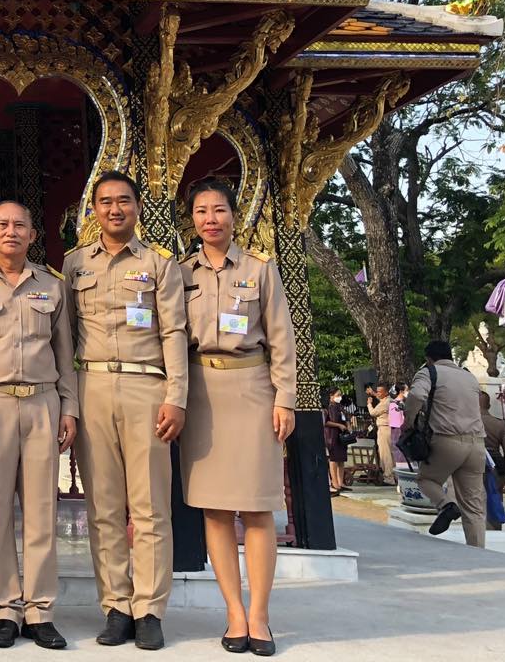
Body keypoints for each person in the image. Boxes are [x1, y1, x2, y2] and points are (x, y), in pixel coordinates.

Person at [64, 172, 185, 653]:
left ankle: (150, 609)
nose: (115, 209)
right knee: (104, 509)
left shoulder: (159, 263)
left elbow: (175, 332)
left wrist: (176, 395)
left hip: (146, 386)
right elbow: (64, 340)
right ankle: (116, 606)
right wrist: (68, 403)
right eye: (105, 202)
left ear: (137, 207)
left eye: (124, 201)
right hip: (92, 383)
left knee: (152, 507)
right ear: (92, 209)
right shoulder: (74, 264)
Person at [0, 200, 77, 651]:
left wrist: (69, 409)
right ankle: (4, 608)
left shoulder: (52, 286)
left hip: (42, 403)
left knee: (43, 512)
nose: (11, 232)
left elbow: (66, 356)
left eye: (19, 225)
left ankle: (40, 611)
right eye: (1, 225)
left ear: (32, 235)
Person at [178, 178, 295, 657]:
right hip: (201, 390)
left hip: (252, 389)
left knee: (257, 506)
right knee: (215, 507)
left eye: (219, 210)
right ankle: (233, 612)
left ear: (234, 215)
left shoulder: (260, 270)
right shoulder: (180, 273)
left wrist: (285, 397)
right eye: (202, 211)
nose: (211, 219)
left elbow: (282, 338)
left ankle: (261, 615)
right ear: (193, 219)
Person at [404, 341, 486, 547]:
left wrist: (409, 421)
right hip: (477, 444)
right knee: (474, 507)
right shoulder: (469, 376)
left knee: (426, 479)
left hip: (447, 440)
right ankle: (478, 552)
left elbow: (416, 395)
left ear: (428, 358)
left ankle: (446, 505)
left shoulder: (429, 372)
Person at [479, 391, 505, 530]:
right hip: (495, 469)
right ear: (488, 405)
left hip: (471, 467)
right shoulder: (499, 424)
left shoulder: (466, 422)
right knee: (494, 501)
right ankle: (494, 534)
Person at [323, 388, 349, 495]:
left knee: (341, 459)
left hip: (341, 435)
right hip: (332, 435)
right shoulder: (329, 407)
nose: (340, 397)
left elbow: (344, 418)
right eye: (337, 395)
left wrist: (347, 425)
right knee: (333, 458)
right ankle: (334, 482)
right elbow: (327, 422)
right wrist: (339, 425)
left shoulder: (340, 407)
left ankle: (340, 481)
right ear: (331, 396)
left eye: (340, 395)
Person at [370, 383, 395, 484]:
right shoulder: (387, 400)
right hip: (387, 429)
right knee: (389, 453)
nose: (378, 394)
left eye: (380, 392)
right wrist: (373, 393)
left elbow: (373, 412)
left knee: (386, 454)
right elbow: (380, 399)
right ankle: (393, 476)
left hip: (384, 429)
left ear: (386, 392)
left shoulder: (385, 403)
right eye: (377, 391)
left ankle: (389, 477)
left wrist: (369, 404)